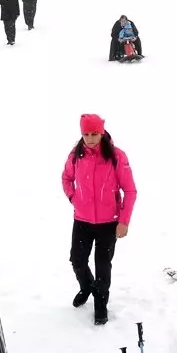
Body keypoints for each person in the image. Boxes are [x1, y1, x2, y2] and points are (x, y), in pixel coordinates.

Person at [61, 114, 137, 325]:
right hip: (82, 220)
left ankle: (100, 303)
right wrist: (73, 197)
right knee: (77, 260)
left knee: (103, 265)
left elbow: (130, 191)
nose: (91, 138)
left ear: (102, 132)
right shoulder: (76, 155)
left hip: (107, 222)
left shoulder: (116, 156)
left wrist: (123, 221)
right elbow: (66, 178)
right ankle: (86, 287)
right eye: (86, 134)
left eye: (95, 133)